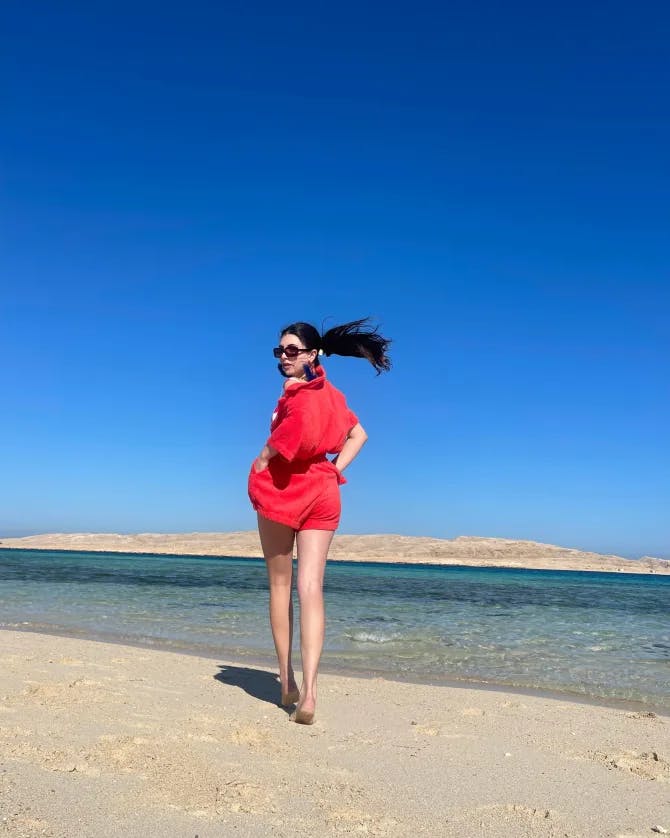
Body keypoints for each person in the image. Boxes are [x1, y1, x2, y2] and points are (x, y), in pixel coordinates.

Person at [248, 318, 391, 724]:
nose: (284, 358)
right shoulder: (333, 395)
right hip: (324, 491)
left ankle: (287, 682)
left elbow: (292, 436)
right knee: (311, 588)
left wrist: (263, 457)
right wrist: (334, 470)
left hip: (287, 490)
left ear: (312, 354)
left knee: (281, 584)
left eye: (292, 350)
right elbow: (359, 435)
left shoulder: (298, 393)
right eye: (280, 351)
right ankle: (309, 694)